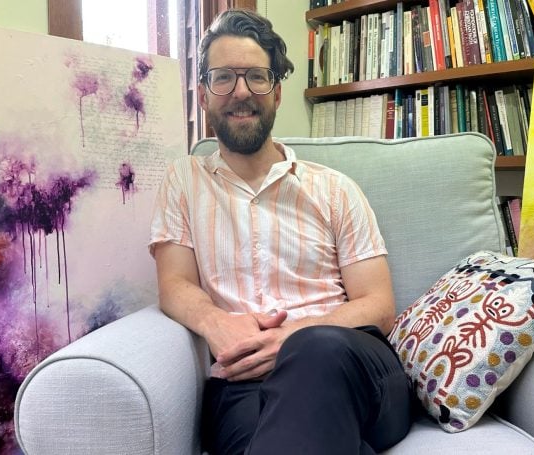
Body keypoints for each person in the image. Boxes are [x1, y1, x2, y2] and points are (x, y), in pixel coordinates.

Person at [149, 9, 413, 454]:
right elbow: (173, 284)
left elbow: (379, 306)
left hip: (353, 364)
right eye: (223, 77)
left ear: (276, 93)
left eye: (256, 77)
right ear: (202, 95)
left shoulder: (335, 189)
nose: (240, 92)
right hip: (243, 380)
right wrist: (218, 324)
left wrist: (293, 338)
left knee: (316, 350)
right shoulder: (184, 180)